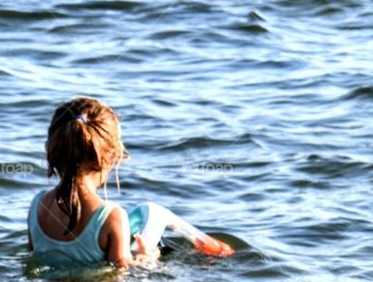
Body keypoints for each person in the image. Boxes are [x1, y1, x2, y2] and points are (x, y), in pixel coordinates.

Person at [27, 96, 234, 271]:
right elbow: (118, 281)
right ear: (111, 157)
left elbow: (33, 259)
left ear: (51, 150)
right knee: (153, 213)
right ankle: (214, 253)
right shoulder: (111, 217)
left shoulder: (38, 205)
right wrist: (148, 258)